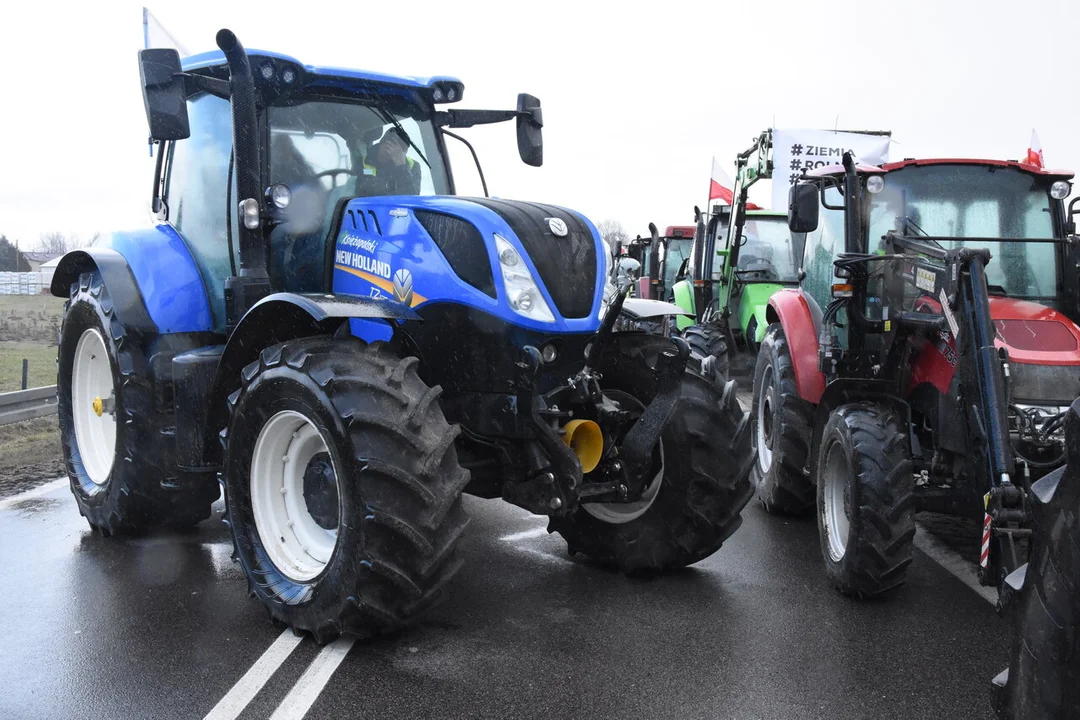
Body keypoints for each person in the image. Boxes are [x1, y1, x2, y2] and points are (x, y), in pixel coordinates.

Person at [363, 127, 422, 195]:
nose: (393, 154)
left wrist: (401, 165)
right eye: (389, 148)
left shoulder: (413, 165)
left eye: (400, 152)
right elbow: (363, 192)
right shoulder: (363, 162)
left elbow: (411, 198)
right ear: (382, 144)